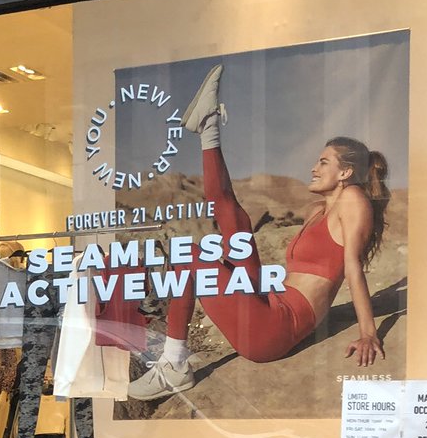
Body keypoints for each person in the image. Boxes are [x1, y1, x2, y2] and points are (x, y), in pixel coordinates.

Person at [129, 62, 391, 400]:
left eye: (324, 162)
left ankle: (175, 366)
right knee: (233, 218)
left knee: (193, 257)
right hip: (270, 302)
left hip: (276, 328)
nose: (313, 168)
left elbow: (353, 267)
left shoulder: (353, 200)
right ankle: (209, 127)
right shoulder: (320, 211)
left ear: (346, 173)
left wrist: (369, 332)